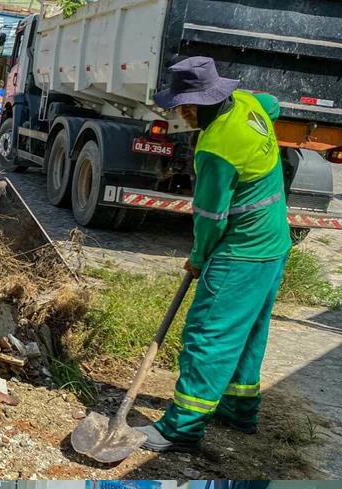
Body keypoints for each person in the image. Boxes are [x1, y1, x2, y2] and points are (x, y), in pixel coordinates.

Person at [139, 56, 291, 452]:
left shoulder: (218, 148)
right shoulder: (248, 103)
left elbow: (209, 218)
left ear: (204, 100)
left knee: (208, 335)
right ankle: (239, 409)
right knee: (249, 330)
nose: (179, 112)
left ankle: (181, 428)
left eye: (184, 104)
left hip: (242, 251)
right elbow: (272, 103)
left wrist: (200, 257)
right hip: (274, 243)